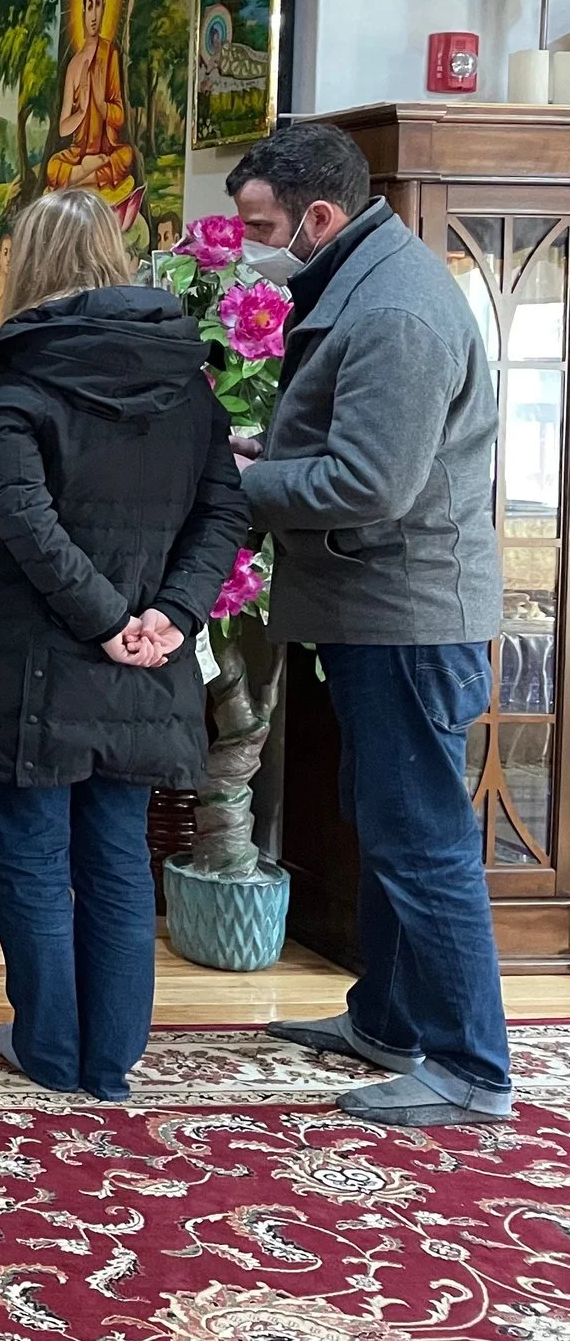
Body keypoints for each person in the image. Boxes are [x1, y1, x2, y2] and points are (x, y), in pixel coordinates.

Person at [0, 190, 246, 1103]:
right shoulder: (190, 382)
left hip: (39, 661)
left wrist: (108, 618)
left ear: (25, 266)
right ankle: (109, 1059)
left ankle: (51, 1049)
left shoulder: (21, 382)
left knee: (30, 863)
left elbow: (21, 519)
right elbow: (225, 508)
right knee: (113, 858)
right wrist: (171, 616)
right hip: (148, 658)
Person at [230, 123, 511, 1127]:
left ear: (318, 217)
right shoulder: (370, 278)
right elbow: (353, 441)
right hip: (376, 609)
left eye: (260, 226)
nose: (249, 244)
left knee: (423, 839)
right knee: (389, 829)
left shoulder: (392, 308)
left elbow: (369, 482)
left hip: (405, 615)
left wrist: (245, 479)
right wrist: (267, 444)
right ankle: (384, 1022)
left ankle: (471, 1068)